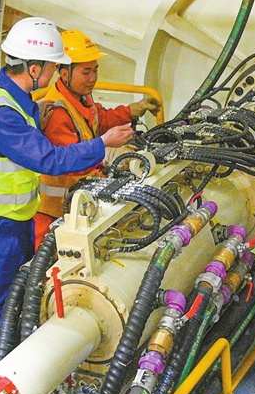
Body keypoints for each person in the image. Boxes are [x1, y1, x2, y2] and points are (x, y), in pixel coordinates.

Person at [0, 17, 135, 371]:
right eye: (54, 67)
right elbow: (50, 159)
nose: (55, 74)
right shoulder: (2, 114)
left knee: (18, 296)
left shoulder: (5, 90)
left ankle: (16, 365)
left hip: (14, 219)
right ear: (34, 68)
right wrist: (104, 144)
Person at [33, 30, 162, 245]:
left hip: (77, 202)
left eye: (95, 70)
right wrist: (110, 158)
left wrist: (132, 110)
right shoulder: (57, 112)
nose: (92, 78)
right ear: (64, 74)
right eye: (86, 72)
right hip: (55, 213)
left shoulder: (80, 96)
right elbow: (70, 162)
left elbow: (97, 120)